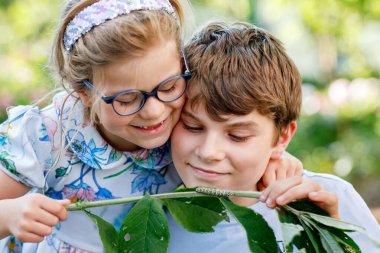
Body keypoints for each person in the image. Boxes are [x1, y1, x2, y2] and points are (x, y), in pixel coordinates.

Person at [0, 1, 304, 252]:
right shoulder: (48, 136)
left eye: (168, 86)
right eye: (127, 99)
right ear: (84, 94)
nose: (154, 112)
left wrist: (273, 157)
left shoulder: (183, 123)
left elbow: (228, 140)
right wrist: (10, 215)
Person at [167, 21, 380, 252]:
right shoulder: (150, 204)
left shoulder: (330, 199)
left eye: (238, 136)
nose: (209, 152)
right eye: (192, 126)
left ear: (281, 139)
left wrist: (332, 242)